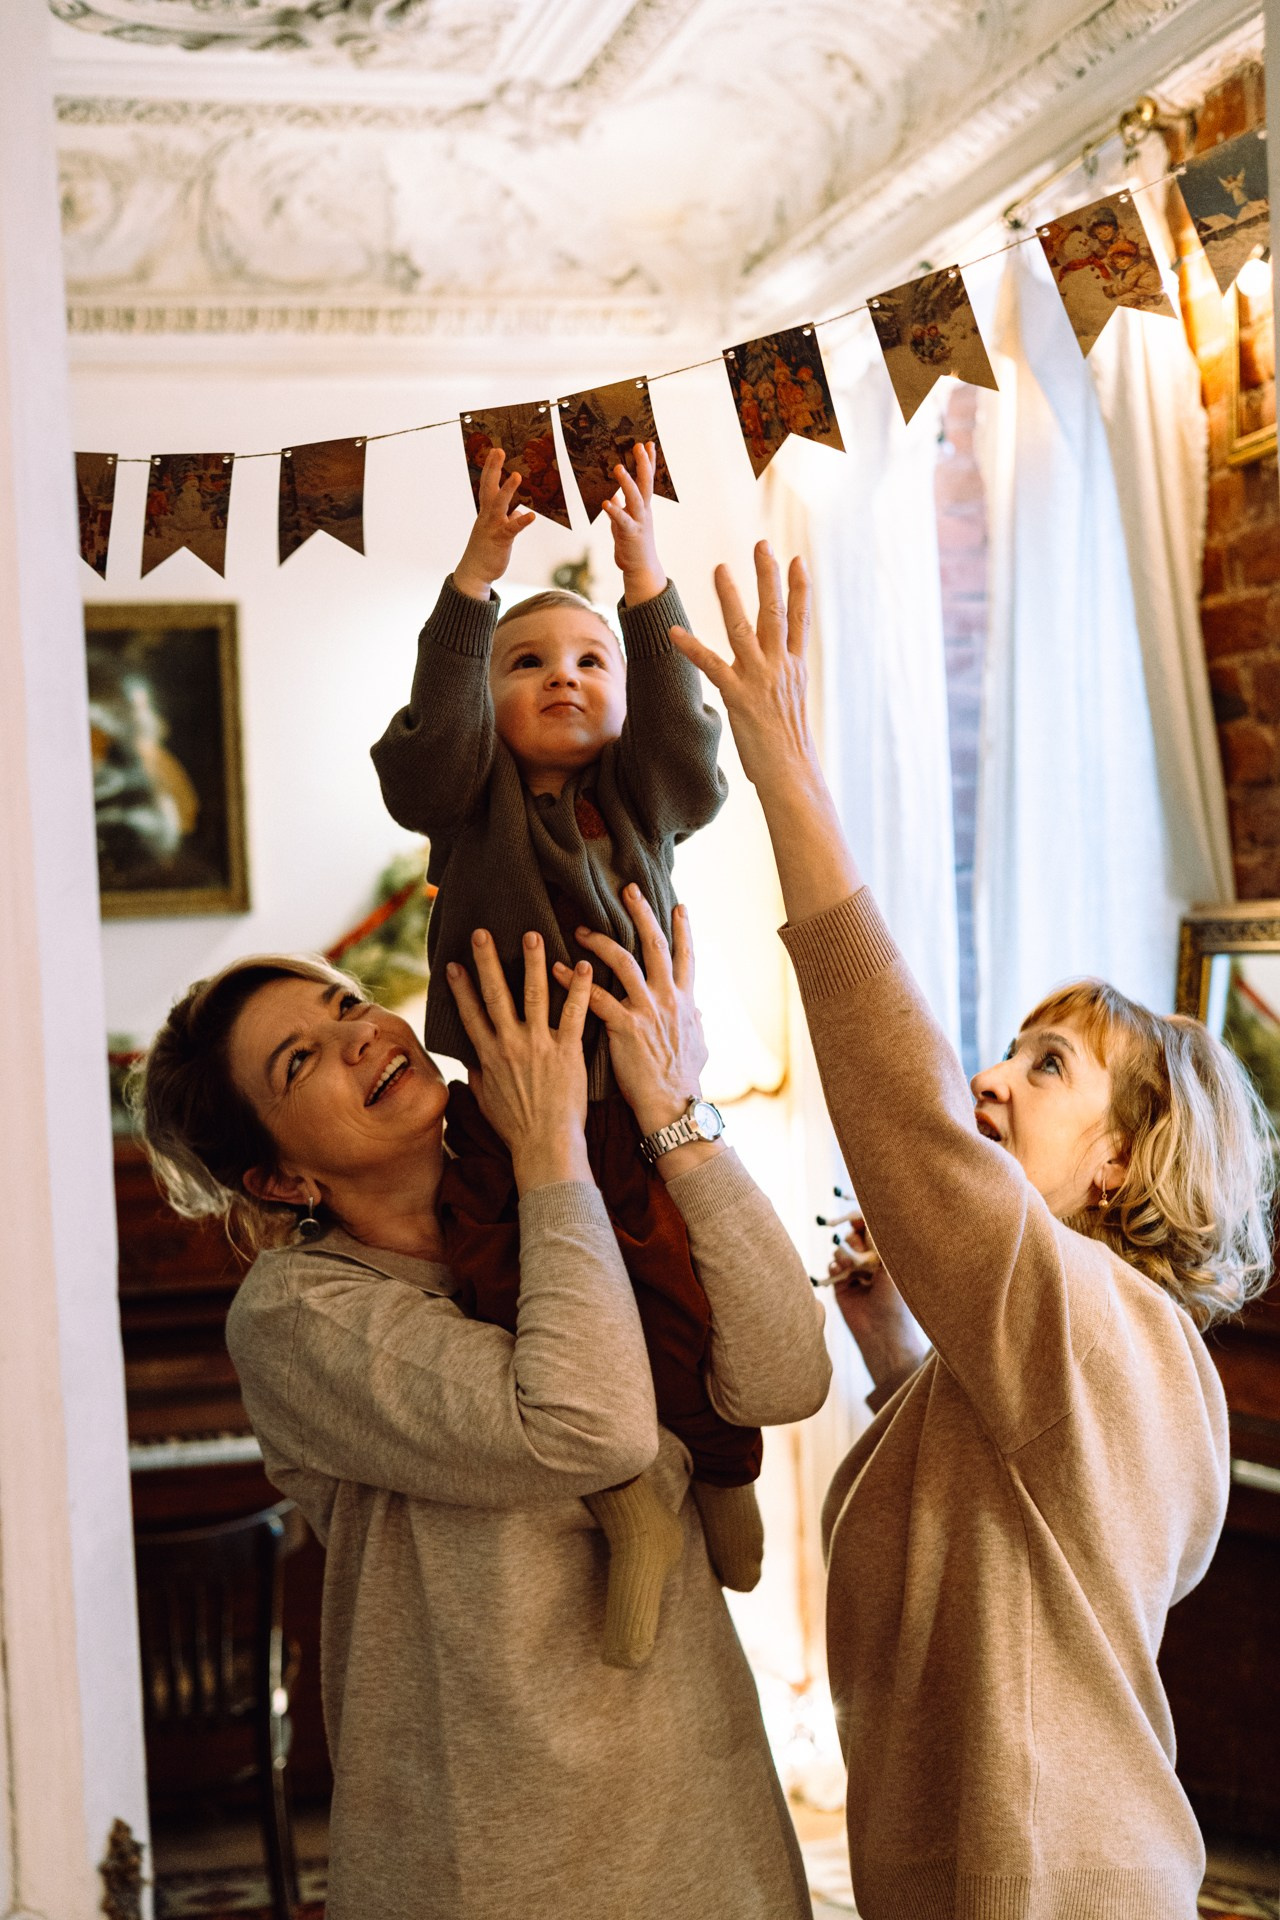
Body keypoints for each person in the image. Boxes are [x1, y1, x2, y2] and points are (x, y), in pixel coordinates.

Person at [669, 545, 1276, 1920]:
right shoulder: (1088, 1350)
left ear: (1123, 1159)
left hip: (1051, 1879)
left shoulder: (1103, 1324)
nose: (995, 1078)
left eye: (1046, 1066)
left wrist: (785, 772)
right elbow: (1018, 1543)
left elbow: (912, 1113)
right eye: (1006, 1049)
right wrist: (895, 1357)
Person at [133, 890, 830, 1920]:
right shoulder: (297, 1314)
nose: (361, 1035)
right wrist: (550, 1144)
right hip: (490, 1859)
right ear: (280, 1179)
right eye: (300, 1060)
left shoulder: (558, 1192)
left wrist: (668, 1113)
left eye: (347, 1005)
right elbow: (587, 1426)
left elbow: (783, 1376)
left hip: (703, 1817)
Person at [371, 442, 763, 1668]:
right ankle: (627, 1489)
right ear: (483, 697)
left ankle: (720, 1474)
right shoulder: (465, 794)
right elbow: (426, 747)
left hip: (632, 1099)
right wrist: (477, 578)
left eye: (589, 663)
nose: (561, 679)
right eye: (525, 664)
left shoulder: (638, 793)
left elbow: (700, 764)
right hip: (497, 1100)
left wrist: (645, 583)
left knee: (673, 1286)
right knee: (499, 1282)